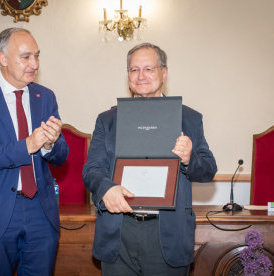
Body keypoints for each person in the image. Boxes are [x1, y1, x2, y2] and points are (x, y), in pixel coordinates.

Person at [83, 43, 217, 276]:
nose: (141, 75)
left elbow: (208, 170)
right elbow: (92, 169)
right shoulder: (107, 120)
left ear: (164, 73)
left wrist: (189, 157)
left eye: (149, 68)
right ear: (128, 77)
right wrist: (106, 188)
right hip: (119, 231)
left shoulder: (190, 118)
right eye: (134, 70)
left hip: (167, 235)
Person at [0, 28, 68, 276]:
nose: (35, 64)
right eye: (26, 57)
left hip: (41, 211)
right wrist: (26, 146)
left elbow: (61, 156)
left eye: (37, 56)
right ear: (3, 58)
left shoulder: (45, 96)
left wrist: (50, 146)